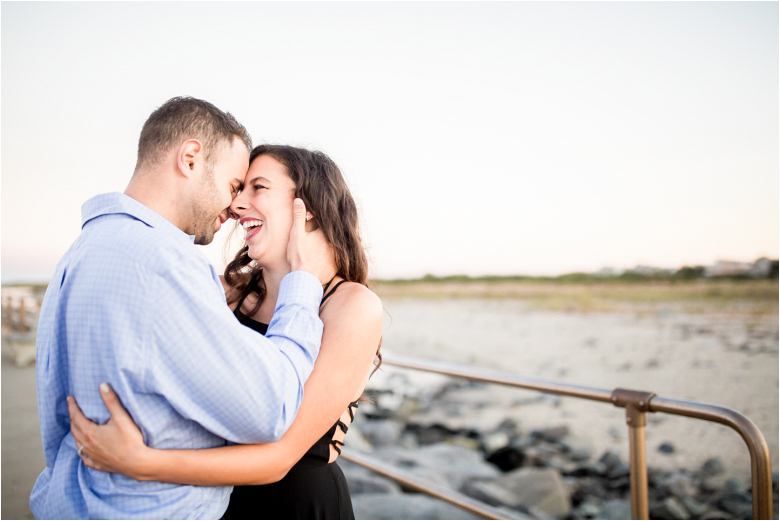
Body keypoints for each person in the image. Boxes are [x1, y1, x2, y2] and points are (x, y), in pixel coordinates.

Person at [31, 99, 336, 519]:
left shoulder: (84, 251)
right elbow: (273, 408)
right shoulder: (162, 264)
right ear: (190, 159)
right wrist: (303, 283)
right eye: (234, 186)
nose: (234, 208)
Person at [67, 144, 383, 519]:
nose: (235, 205)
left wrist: (141, 462)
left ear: (308, 206)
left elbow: (279, 458)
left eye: (258, 188)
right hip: (215, 504)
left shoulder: (351, 306)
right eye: (239, 189)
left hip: (297, 505)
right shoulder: (229, 292)